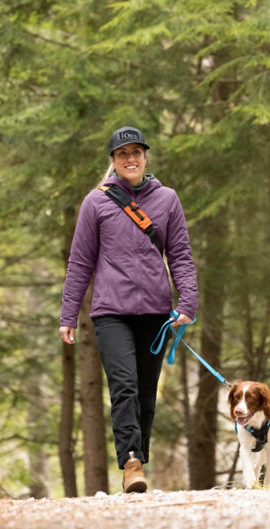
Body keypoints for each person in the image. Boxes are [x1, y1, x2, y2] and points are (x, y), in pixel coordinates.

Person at [59, 125, 198, 493]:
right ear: (114, 161)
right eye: (123, 154)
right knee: (123, 386)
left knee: (145, 391)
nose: (131, 159)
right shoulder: (96, 203)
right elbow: (80, 262)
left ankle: (139, 457)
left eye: (137, 152)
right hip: (111, 313)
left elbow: (180, 255)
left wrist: (187, 303)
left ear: (145, 157)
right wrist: (68, 314)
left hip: (155, 312)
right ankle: (131, 462)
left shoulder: (167, 199)